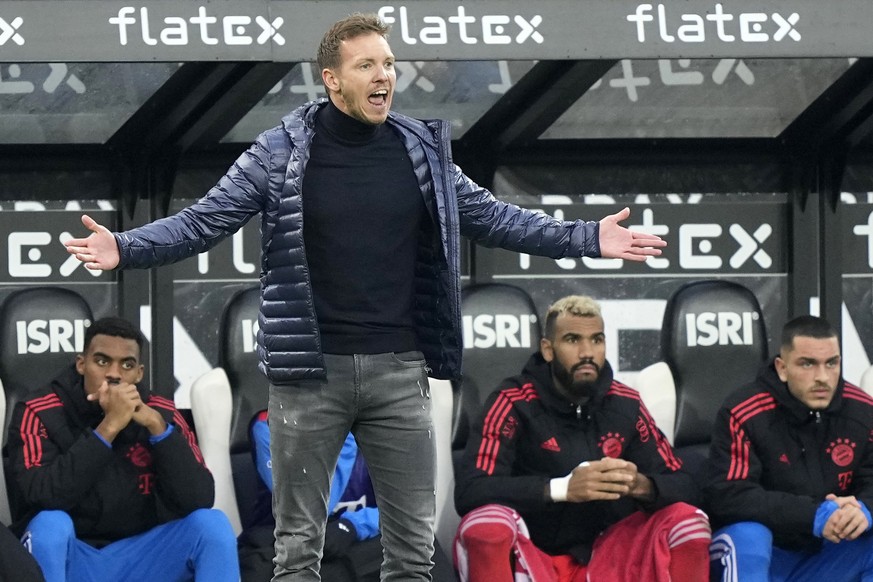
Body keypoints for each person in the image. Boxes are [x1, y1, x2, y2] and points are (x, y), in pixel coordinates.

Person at [62, 13, 665, 581]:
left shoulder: (420, 151)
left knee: (412, 550)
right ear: (332, 80)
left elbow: (492, 215)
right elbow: (202, 222)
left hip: (400, 373)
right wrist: (125, 246)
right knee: (296, 549)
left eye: (390, 65)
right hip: (308, 378)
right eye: (368, 66)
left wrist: (588, 236)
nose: (384, 77)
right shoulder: (278, 152)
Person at [453, 295, 710, 582]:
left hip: (609, 557)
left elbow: (687, 485)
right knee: (486, 525)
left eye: (597, 340)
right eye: (573, 340)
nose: (587, 352)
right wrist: (562, 489)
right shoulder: (513, 402)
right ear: (548, 350)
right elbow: (471, 490)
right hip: (534, 555)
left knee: (688, 522)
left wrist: (642, 485)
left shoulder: (625, 404)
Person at [6, 316, 239, 582]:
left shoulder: (161, 412)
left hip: (143, 557)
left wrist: (157, 429)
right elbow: (41, 496)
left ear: (139, 373)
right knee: (50, 525)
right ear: (82, 364)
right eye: (102, 361)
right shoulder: (39, 409)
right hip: (73, 557)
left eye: (126, 365)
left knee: (213, 525)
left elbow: (199, 499)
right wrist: (108, 427)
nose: (114, 374)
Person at [705, 315, 873, 582]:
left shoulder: (862, 410)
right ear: (782, 368)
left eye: (832, 363)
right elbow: (728, 496)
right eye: (807, 364)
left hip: (825, 557)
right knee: (749, 537)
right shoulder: (742, 411)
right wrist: (813, 514)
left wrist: (864, 509)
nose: (822, 377)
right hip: (766, 554)